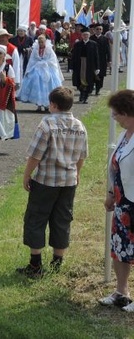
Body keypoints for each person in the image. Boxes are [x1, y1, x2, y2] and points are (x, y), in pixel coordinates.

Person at [18, 87, 87, 277]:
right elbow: (82, 155)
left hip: (46, 180)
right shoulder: (80, 126)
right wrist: (77, 173)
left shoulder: (47, 124)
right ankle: (57, 263)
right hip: (68, 181)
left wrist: (27, 175)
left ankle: (35, 265)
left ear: (53, 105)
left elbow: (35, 154)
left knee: (36, 218)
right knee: (62, 220)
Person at [100, 90, 134, 310]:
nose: (114, 117)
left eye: (117, 114)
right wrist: (111, 194)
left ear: (128, 112)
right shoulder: (125, 135)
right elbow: (116, 166)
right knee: (120, 247)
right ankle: (122, 292)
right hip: (123, 204)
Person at [17, 35, 64, 112]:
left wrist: (44, 63)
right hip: (37, 68)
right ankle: (39, 105)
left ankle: (46, 105)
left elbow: (53, 60)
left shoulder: (49, 49)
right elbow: (32, 60)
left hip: (47, 69)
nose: (41, 43)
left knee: (48, 86)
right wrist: (30, 70)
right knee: (36, 83)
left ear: (45, 42)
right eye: (39, 42)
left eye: (42, 42)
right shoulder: (35, 50)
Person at [71, 26, 100, 103]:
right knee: (79, 81)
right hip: (79, 65)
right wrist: (71, 66)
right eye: (84, 35)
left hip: (89, 65)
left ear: (89, 35)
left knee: (89, 81)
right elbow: (73, 56)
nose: (85, 36)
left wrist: (97, 67)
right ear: (82, 35)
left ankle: (85, 97)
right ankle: (81, 95)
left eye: (87, 35)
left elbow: (96, 56)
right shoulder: (77, 44)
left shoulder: (93, 44)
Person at [90, 23, 111, 95]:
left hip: (102, 59)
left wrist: (109, 60)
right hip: (93, 59)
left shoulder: (105, 39)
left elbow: (108, 50)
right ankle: (92, 86)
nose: (98, 30)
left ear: (102, 30)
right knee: (93, 74)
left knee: (101, 75)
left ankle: (98, 89)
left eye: (100, 29)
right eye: (97, 29)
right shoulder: (91, 38)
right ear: (94, 30)